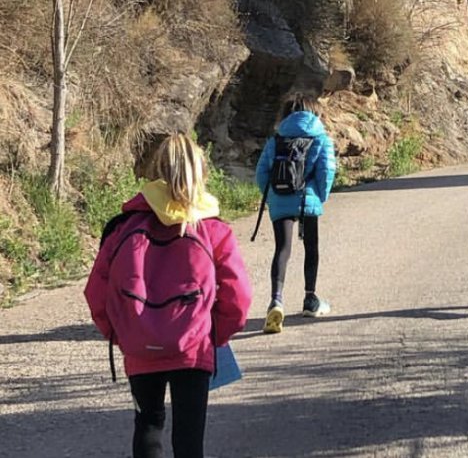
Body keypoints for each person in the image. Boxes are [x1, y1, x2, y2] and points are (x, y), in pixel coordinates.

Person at [84, 134, 252, 458]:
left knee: (147, 426)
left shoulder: (123, 227)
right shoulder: (214, 230)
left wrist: (122, 333)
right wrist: (213, 333)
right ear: (202, 174)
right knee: (190, 440)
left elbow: (96, 291)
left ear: (155, 172)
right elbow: (239, 297)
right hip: (193, 347)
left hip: (139, 349)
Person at [256, 93, 336, 334]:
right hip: (307, 199)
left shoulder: (277, 138)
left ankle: (276, 300)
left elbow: (262, 173)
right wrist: (319, 198)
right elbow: (326, 171)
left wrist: (273, 197)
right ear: (314, 111)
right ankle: (310, 299)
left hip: (280, 201)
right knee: (311, 249)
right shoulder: (320, 137)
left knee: (282, 249)